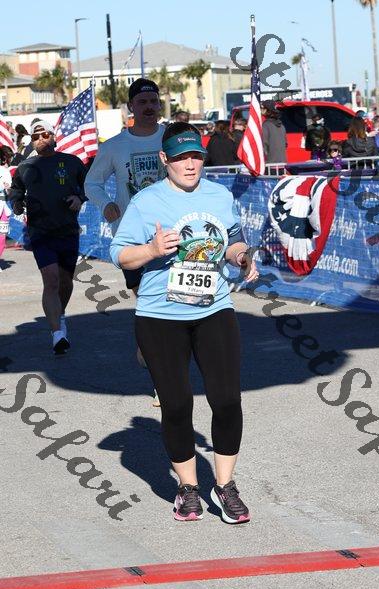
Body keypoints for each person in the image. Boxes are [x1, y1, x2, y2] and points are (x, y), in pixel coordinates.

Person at [110, 122, 258, 523]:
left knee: (226, 400)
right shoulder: (146, 201)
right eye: (180, 158)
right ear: (164, 160)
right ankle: (188, 488)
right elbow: (119, 254)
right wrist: (151, 249)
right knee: (176, 405)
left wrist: (241, 257)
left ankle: (225, 486)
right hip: (160, 315)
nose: (189, 164)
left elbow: (233, 240)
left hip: (214, 309)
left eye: (195, 156)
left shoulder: (219, 196)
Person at [8, 121, 87, 354]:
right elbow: (16, 190)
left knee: (65, 282)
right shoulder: (25, 166)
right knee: (51, 280)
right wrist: (17, 203)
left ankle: (59, 315)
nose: (40, 139)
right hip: (40, 232)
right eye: (35, 137)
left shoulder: (71, 162)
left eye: (45, 134)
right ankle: (57, 334)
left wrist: (79, 198)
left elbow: (89, 186)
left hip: (68, 230)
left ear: (54, 136)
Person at [85, 78, 165, 290]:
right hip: (131, 233)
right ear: (131, 106)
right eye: (142, 102)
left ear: (159, 104)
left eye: (153, 101)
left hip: (169, 229)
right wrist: (106, 204)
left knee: (171, 293)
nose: (149, 106)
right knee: (142, 293)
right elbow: (92, 183)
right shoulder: (113, 146)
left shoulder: (172, 138)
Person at [0, 146, 12, 260]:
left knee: (2, 236)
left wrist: (8, 188)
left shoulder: (5, 171)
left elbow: (10, 191)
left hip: (3, 207)